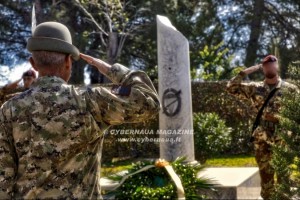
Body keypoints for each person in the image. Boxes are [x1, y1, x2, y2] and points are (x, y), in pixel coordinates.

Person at [0, 21, 160, 199]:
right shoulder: (90, 101)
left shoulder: (9, 110)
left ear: (33, 63)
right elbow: (149, 102)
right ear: (68, 62)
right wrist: (110, 69)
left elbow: (3, 180)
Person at [226, 55, 298, 199]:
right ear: (263, 68)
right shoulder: (255, 88)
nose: (270, 67)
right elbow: (231, 88)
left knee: (284, 178)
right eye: (266, 65)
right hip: (262, 138)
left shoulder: (290, 89)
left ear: (277, 66)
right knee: (266, 178)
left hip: (283, 136)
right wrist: (244, 73)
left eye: (272, 64)